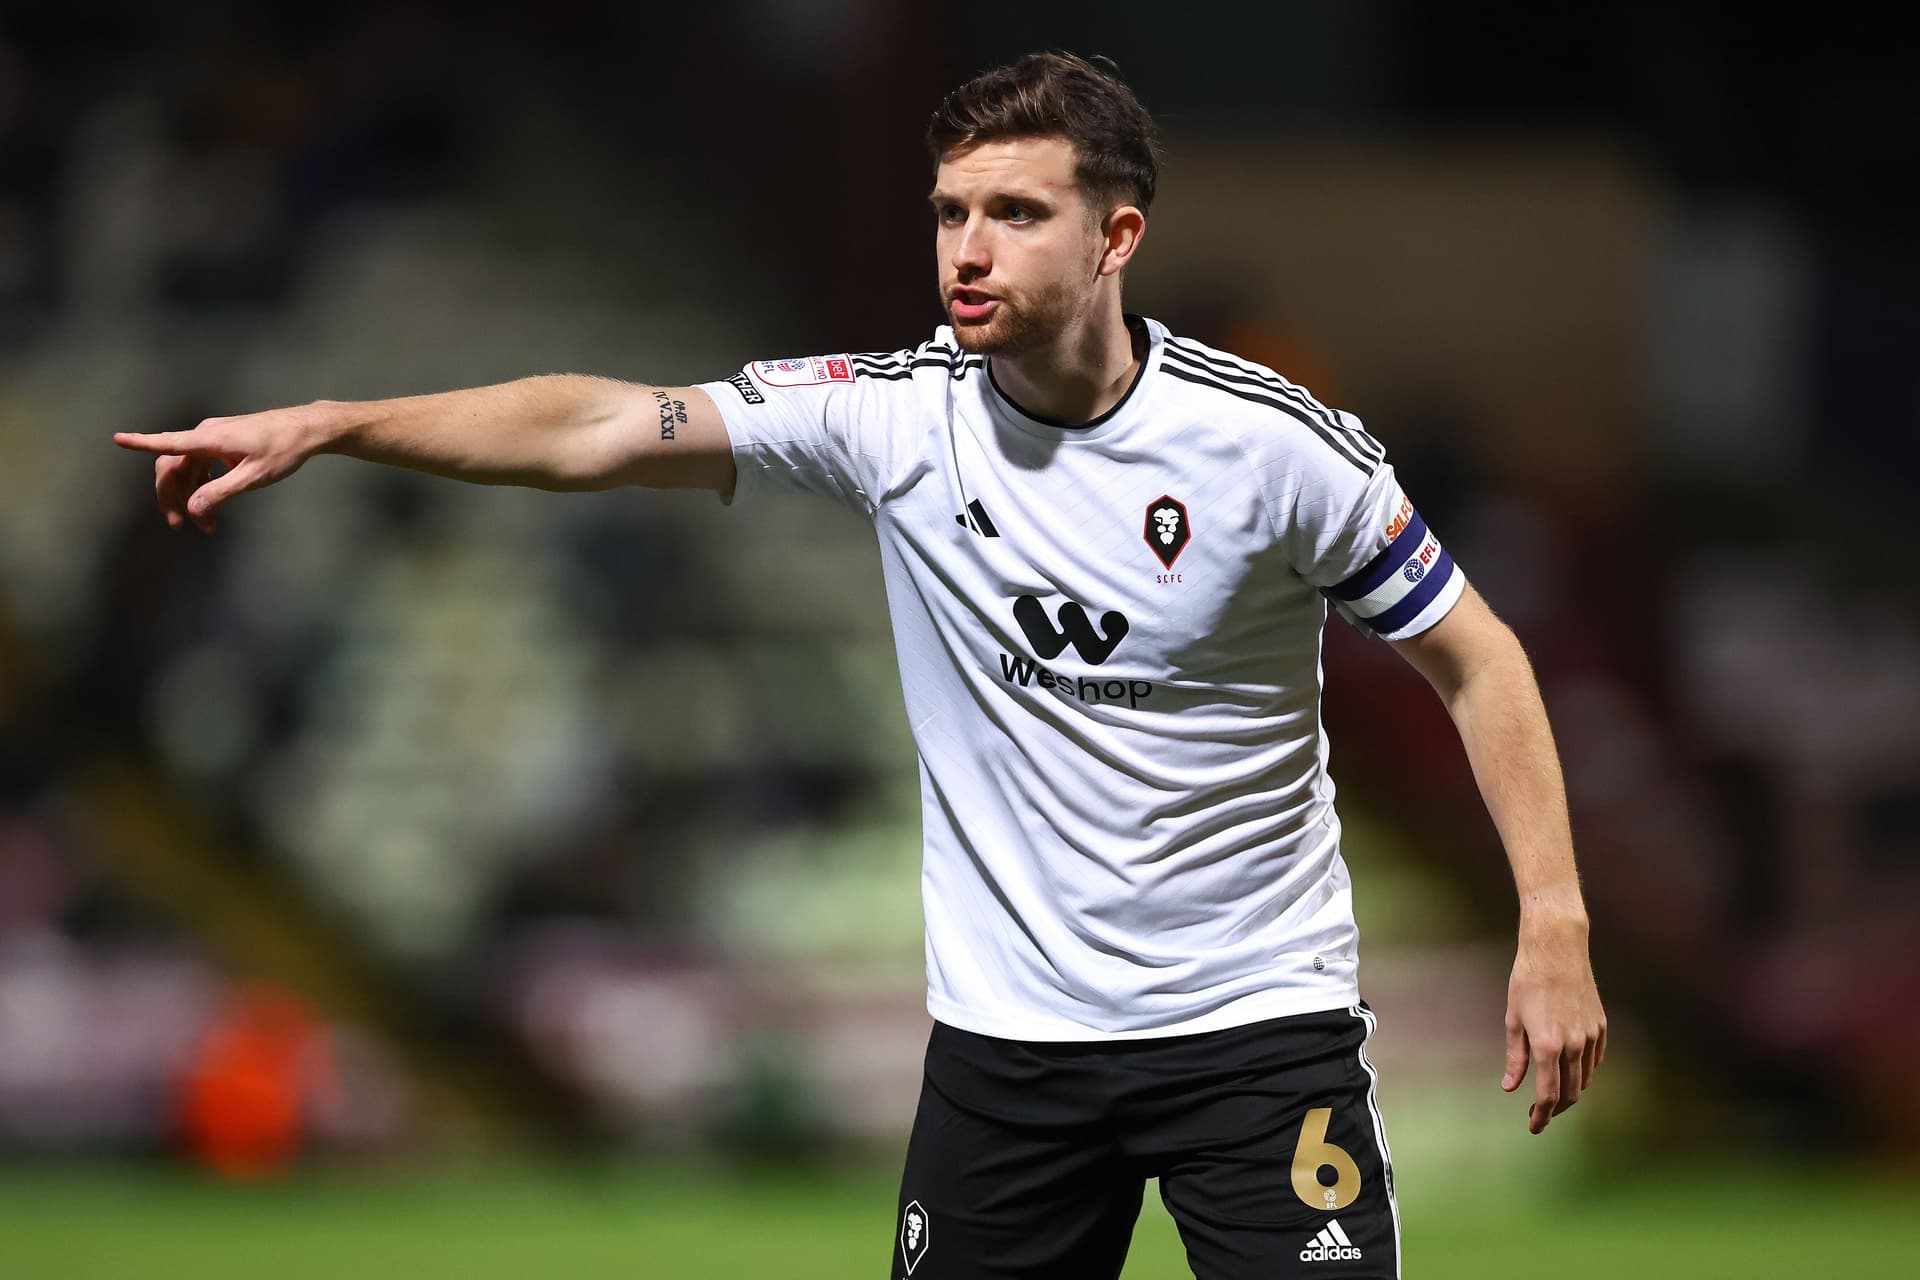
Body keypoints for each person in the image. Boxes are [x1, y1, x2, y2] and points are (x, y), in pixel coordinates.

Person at [115, 50, 1605, 1280]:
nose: (967, 247)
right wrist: (335, 420)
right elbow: (603, 425)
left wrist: (1551, 922)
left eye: (1016, 212)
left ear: (1117, 236)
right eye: (951, 210)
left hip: (1252, 1037)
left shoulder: (1274, 448)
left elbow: (1480, 663)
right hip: (1010, 1061)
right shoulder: (892, 419)